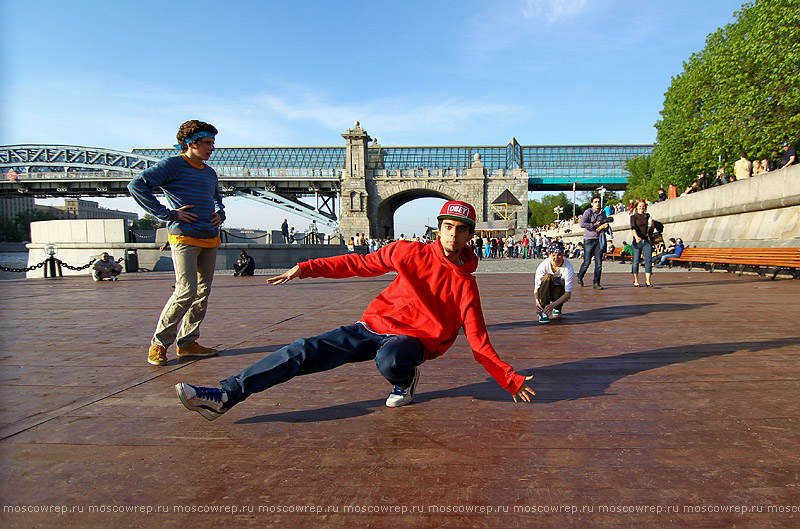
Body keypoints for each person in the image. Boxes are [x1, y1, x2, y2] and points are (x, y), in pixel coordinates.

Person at [174, 201, 536, 420]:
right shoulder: (408, 252)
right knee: (302, 351)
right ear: (438, 229)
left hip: (413, 341)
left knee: (391, 359)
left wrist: (507, 378)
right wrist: (307, 267)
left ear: (470, 236)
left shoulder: (465, 285)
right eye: (447, 227)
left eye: (460, 230)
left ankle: (404, 380)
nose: (452, 235)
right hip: (372, 326)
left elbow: (478, 341)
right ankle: (225, 395)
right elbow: (359, 263)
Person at [128, 119, 225, 366]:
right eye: (206, 143)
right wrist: (169, 214)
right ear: (191, 143)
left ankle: (188, 343)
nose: (211, 148)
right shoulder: (172, 165)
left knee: (203, 293)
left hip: (209, 237)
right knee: (186, 291)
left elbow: (218, 200)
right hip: (184, 236)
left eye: (212, 143)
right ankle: (159, 344)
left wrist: (220, 214)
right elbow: (137, 186)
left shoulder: (210, 172)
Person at [534, 242, 574, 324]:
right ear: (550, 255)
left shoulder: (568, 267)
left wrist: (553, 305)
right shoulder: (543, 266)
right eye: (553, 255)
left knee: (559, 290)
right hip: (545, 290)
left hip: (558, 292)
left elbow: (568, 294)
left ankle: (557, 307)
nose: (556, 258)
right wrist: (537, 303)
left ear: (563, 255)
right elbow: (536, 289)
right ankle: (543, 310)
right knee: (548, 277)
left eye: (559, 255)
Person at [576, 195, 608, 290]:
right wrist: (594, 225)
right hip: (589, 239)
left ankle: (596, 282)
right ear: (592, 203)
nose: (597, 203)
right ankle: (580, 276)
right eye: (595, 202)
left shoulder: (603, 213)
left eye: (598, 202)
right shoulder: (588, 212)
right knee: (587, 262)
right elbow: (582, 224)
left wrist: (605, 226)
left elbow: (603, 224)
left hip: (599, 239)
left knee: (599, 263)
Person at [630, 200, 654, 287]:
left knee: (648, 260)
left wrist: (652, 224)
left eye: (643, 206)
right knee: (636, 261)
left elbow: (651, 229)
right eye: (640, 206)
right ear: (636, 207)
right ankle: (636, 280)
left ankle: (648, 281)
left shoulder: (648, 216)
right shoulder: (634, 217)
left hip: (646, 240)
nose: (642, 208)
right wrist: (636, 237)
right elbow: (633, 228)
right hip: (637, 241)